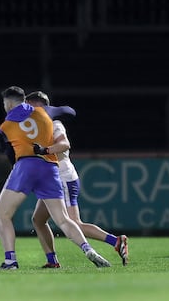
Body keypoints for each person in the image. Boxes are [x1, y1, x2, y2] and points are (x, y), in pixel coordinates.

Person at [0, 86, 110, 270]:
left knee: (2, 215)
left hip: (26, 165)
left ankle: (10, 261)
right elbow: (69, 112)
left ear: (8, 103)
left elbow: (9, 153)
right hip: (50, 167)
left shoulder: (5, 126)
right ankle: (88, 249)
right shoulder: (44, 111)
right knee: (63, 219)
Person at [25, 91, 129, 268]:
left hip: (62, 179)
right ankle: (52, 261)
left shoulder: (54, 123)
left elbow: (65, 144)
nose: (27, 110)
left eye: (30, 106)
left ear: (41, 106)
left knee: (73, 225)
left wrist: (44, 150)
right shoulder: (37, 126)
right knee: (38, 220)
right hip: (54, 178)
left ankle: (116, 241)